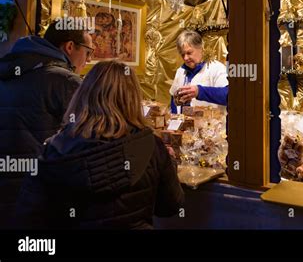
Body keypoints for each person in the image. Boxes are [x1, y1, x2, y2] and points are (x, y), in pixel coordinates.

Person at [15, 60, 184, 229]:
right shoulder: (153, 146)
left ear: (83, 94)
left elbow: (30, 216)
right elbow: (168, 207)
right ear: (133, 98)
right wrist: (170, 163)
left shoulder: (56, 149)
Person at [0, 20, 93, 228]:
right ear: (70, 47)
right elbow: (88, 140)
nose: (88, 60)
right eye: (88, 52)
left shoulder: (10, 68)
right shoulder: (67, 82)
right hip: (38, 192)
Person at [170, 30, 228, 113]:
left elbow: (227, 95)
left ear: (200, 48)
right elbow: (173, 97)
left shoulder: (217, 68)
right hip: (185, 123)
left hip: (210, 124)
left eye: (189, 53)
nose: (185, 58)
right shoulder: (181, 71)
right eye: (182, 54)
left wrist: (199, 91)